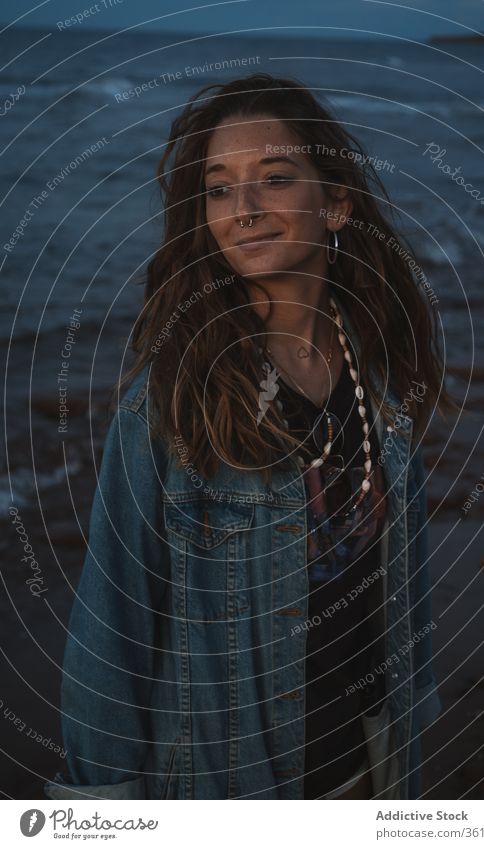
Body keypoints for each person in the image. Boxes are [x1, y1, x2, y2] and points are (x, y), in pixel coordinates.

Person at [44, 73, 457, 801]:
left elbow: (392, 606)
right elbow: (113, 626)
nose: (245, 209)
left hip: (369, 770)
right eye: (220, 188)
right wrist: (98, 808)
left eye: (273, 178)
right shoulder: (171, 404)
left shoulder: (379, 379)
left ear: (336, 202)